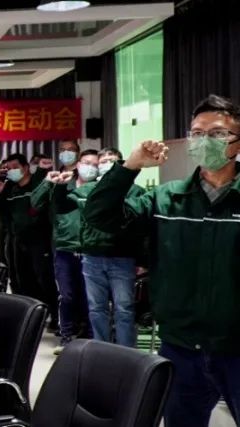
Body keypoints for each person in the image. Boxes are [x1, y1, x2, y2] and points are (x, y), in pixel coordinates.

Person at [84, 94, 240, 427]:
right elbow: (99, 217)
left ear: (237, 142)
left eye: (217, 133)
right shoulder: (166, 199)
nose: (204, 141)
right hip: (180, 347)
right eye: (197, 133)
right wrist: (130, 167)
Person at [75, 147, 145, 348]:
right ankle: (102, 349)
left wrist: (142, 259)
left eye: (112, 161)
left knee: (124, 309)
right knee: (96, 308)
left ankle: (126, 351)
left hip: (122, 256)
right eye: (103, 161)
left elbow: (141, 229)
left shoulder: (136, 191)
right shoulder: (91, 190)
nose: (107, 165)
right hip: (92, 255)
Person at [31, 150, 100, 353]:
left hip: (91, 248)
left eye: (94, 164)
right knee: (66, 295)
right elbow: (35, 203)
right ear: (78, 165)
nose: (90, 167)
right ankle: (66, 335)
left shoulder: (99, 188)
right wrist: (48, 182)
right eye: (86, 162)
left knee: (90, 297)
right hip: (64, 247)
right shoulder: (63, 184)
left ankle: (89, 336)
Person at [0, 153, 59, 331]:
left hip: (39, 239)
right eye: (9, 168)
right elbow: (3, 213)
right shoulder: (11, 189)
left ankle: (56, 316)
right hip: (18, 240)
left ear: (25, 167)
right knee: (23, 280)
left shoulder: (37, 184)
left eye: (15, 167)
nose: (12, 171)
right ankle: (31, 317)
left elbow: (41, 207)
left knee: (44, 279)